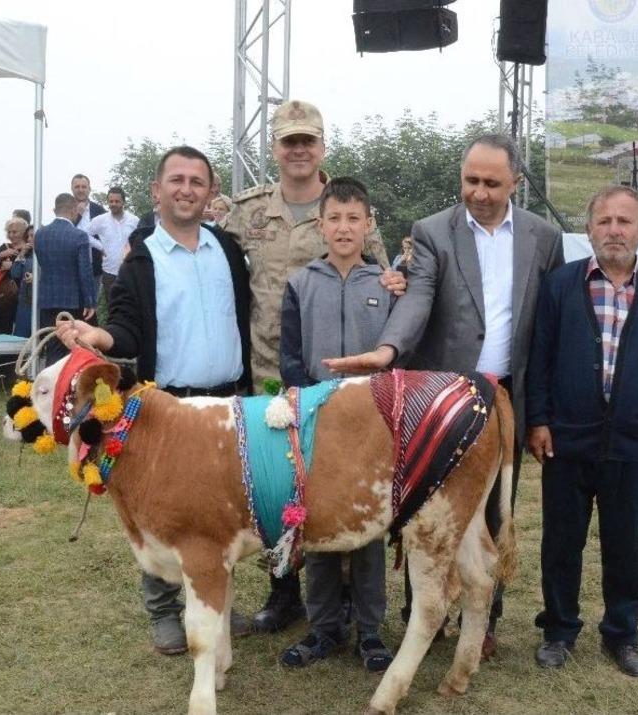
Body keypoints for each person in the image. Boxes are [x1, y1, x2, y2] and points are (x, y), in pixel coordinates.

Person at [323, 133, 564, 657]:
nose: (478, 192)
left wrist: (541, 411)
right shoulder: (431, 231)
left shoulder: (544, 239)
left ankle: (485, 619)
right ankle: (422, 617)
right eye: (470, 180)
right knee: (426, 514)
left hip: (504, 406)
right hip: (439, 404)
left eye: (491, 183)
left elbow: (547, 328)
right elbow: (419, 298)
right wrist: (388, 350)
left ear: (515, 184)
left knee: (492, 514)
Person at [55, 145, 252, 657]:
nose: (187, 189)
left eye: (197, 181)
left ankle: (218, 600)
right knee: (165, 511)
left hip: (228, 405)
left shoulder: (228, 250)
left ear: (210, 192)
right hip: (168, 406)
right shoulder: (140, 261)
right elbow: (126, 329)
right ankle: (165, 610)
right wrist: (98, 338)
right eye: (176, 180)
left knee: (227, 508)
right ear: (157, 191)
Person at [224, 99, 402, 635]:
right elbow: (229, 279)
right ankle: (284, 593)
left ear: (322, 147)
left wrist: (400, 282)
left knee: (338, 478)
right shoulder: (247, 211)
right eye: (289, 141)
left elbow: (384, 279)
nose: (298, 150)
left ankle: (346, 594)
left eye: (308, 140)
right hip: (268, 372)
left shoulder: (348, 207)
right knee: (274, 484)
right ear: (275, 148)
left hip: (339, 379)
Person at [525, 185, 638, 677]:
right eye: (605, 221)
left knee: (624, 546)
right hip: (567, 441)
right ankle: (559, 631)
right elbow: (540, 358)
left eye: (625, 221)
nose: (614, 230)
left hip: (634, 443)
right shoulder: (560, 285)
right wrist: (538, 420)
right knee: (561, 544)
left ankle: (622, 635)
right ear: (588, 230)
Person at [277, 177, 393, 672]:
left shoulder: (388, 285)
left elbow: (398, 354)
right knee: (319, 525)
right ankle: (323, 627)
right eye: (334, 219)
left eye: (354, 219)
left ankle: (370, 631)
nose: (344, 228)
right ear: (320, 225)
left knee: (368, 528)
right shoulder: (300, 284)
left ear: (369, 225)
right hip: (317, 425)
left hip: (371, 429)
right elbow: (289, 357)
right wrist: (308, 402)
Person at [34, 193, 96, 363]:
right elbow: (85, 271)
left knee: (52, 344)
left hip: (47, 299)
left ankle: (49, 385)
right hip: (71, 301)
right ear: (74, 210)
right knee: (71, 346)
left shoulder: (39, 234)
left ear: (55, 210)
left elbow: (41, 263)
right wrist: (90, 301)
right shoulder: (79, 236)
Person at [87, 186, 138, 301]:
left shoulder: (134, 220)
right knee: (113, 308)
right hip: (109, 272)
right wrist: (100, 246)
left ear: (123, 202)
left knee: (131, 307)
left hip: (130, 271)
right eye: (111, 201)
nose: (113, 204)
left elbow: (140, 240)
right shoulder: (100, 220)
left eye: (117, 201)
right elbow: (85, 235)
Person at [0, 217, 29, 334]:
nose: (11, 235)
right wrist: (1, 255)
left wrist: (13, 266)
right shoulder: (5, 247)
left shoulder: (28, 249)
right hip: (3, 296)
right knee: (1, 328)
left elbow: (27, 270)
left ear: (23, 232)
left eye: (15, 232)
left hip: (21, 295)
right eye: (9, 232)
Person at [70, 173, 107, 280]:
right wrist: (78, 215)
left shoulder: (99, 210)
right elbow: (65, 232)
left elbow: (106, 235)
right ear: (71, 189)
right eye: (77, 187)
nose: (80, 190)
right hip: (71, 265)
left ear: (89, 189)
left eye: (84, 187)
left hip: (94, 267)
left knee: (92, 297)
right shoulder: (66, 209)